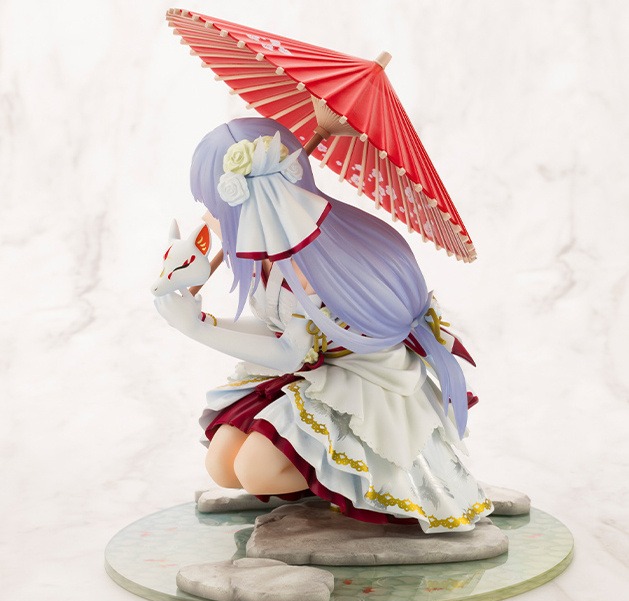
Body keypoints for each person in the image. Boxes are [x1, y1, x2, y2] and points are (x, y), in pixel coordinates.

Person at [154, 117, 492, 533]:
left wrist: (197, 330)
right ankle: (317, 468)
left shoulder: (308, 261)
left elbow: (291, 352)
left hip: (362, 379)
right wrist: (203, 319)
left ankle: (350, 482)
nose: (208, 216)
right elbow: (277, 330)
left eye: (218, 204)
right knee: (222, 465)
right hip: (313, 366)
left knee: (256, 471)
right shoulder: (263, 253)